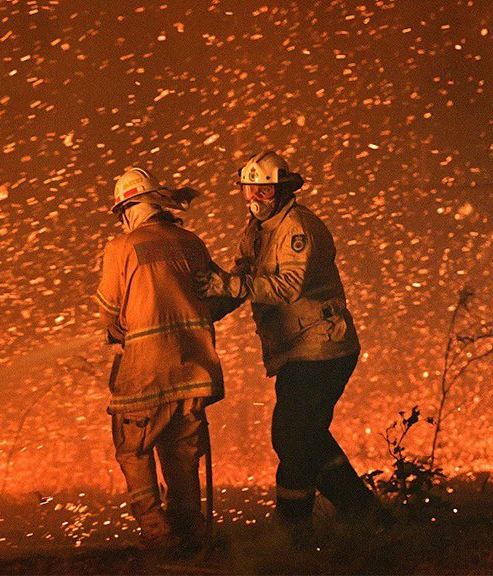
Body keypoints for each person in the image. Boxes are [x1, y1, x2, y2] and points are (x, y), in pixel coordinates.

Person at [197, 150, 391, 540]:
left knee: (292, 435)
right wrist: (204, 312)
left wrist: (229, 285)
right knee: (307, 434)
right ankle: (363, 513)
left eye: (263, 192)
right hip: (296, 349)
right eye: (248, 191)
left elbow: (287, 287)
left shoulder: (299, 229)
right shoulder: (255, 231)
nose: (254, 200)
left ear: (284, 190)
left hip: (322, 348)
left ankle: (294, 528)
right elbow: (241, 279)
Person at [95, 167, 226, 554]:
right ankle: (189, 536)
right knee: (181, 455)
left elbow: (109, 310)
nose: (122, 221)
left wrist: (121, 329)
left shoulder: (121, 247)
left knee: (132, 447)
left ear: (134, 207)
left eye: (123, 212)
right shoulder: (192, 243)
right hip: (193, 371)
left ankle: (156, 530)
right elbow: (219, 297)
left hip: (146, 373)